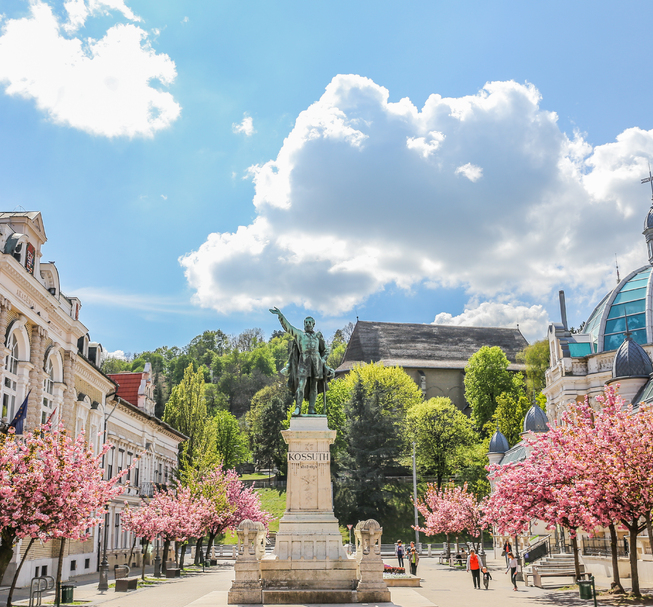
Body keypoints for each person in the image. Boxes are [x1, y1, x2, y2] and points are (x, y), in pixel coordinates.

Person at [269, 307, 335, 415]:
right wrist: (280, 316)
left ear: (313, 324)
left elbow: (326, 350)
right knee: (301, 384)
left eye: (310, 322)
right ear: (304, 324)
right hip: (304, 361)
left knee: (314, 387)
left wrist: (323, 361)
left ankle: (311, 408)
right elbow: (288, 327)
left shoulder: (318, 337)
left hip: (316, 362)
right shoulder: (300, 334)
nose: (308, 324)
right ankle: (298, 407)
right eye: (306, 322)